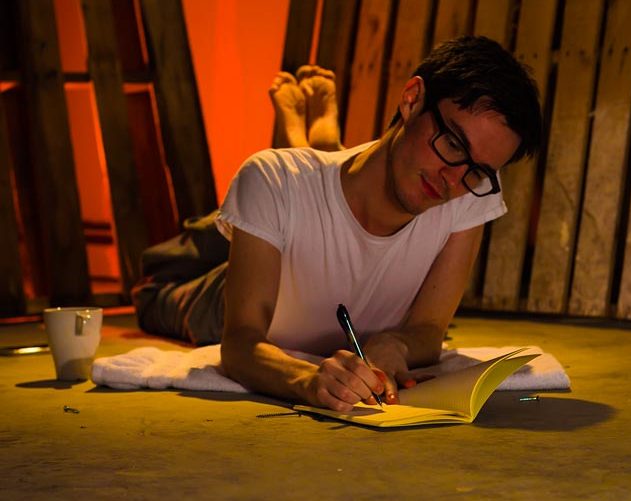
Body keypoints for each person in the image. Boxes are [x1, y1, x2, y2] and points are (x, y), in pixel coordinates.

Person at [133, 36, 542, 412]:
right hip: (234, 291)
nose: (453, 178)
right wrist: (307, 379)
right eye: (452, 143)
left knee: (284, 196)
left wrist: (393, 344)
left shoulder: (470, 191)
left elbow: (429, 329)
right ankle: (310, 153)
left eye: (477, 171)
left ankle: (317, 147)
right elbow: (240, 343)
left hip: (305, 227)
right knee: (160, 284)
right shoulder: (271, 177)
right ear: (412, 99)